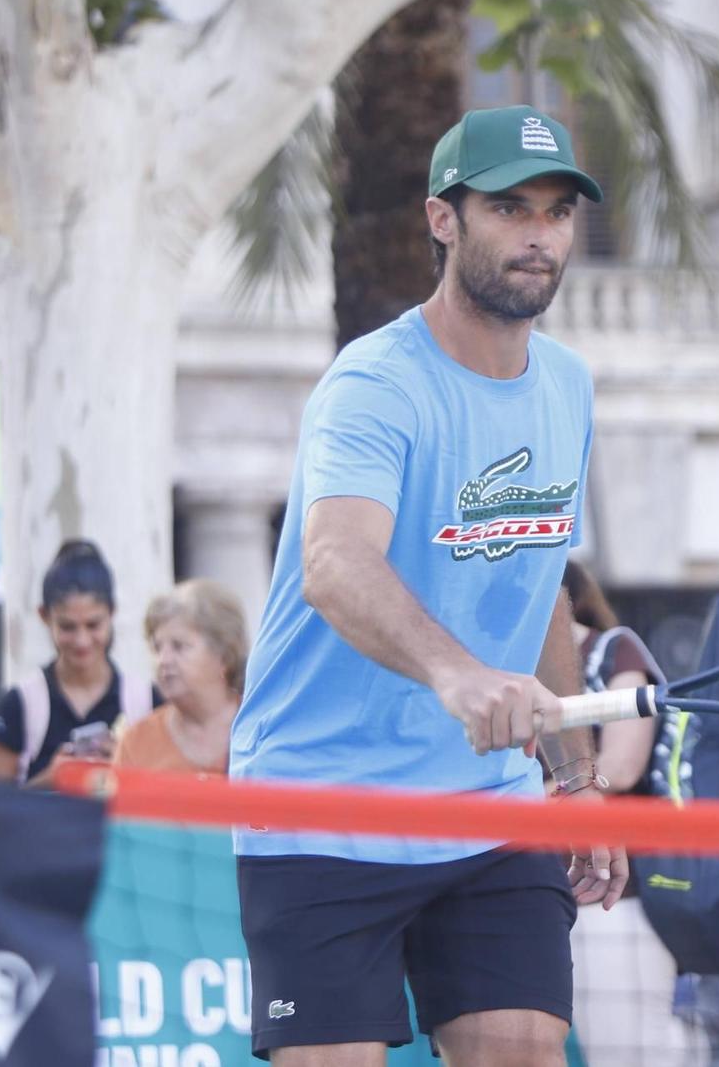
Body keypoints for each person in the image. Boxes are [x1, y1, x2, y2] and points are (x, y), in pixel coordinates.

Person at [229, 105, 620, 1066]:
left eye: (559, 211)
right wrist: (454, 675)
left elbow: (537, 587)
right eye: (510, 208)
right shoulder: (375, 384)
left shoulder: (568, 386)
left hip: (487, 808)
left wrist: (573, 778)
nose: (540, 235)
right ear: (444, 220)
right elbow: (333, 563)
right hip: (323, 804)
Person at [561, 561, 708, 1067]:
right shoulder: (503, 669)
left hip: (617, 893)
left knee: (626, 1047)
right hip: (540, 891)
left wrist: (529, 795)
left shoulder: (613, 650)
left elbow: (621, 767)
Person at [0, 540, 153, 786]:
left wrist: (126, 766)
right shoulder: (19, 705)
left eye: (93, 625)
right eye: (67, 627)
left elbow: (167, 802)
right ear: (44, 616)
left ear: (112, 613)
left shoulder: (145, 702)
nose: (82, 641)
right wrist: (52, 779)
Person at [114, 579, 248, 775]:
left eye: (179, 646)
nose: (163, 660)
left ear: (224, 655)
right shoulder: (136, 743)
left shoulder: (259, 728)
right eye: (157, 648)